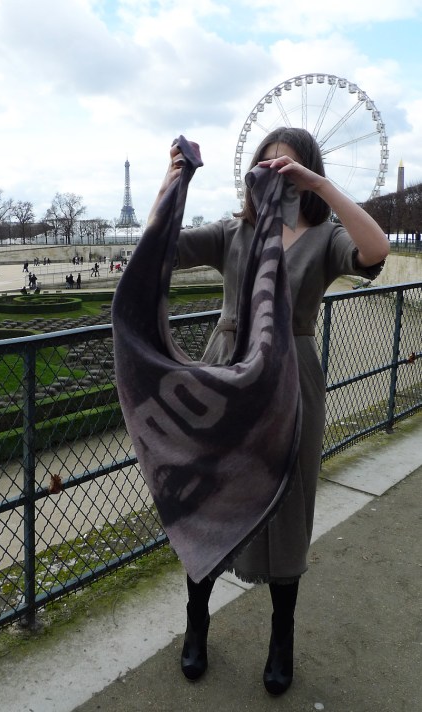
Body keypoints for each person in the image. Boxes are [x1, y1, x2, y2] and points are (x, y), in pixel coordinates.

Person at [148, 128, 389, 696]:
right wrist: (173, 178)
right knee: (208, 498)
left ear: (306, 174)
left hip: (290, 380)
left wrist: (320, 187)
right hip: (225, 371)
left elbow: (376, 249)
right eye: (266, 162)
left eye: (289, 166)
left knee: (289, 499)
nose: (274, 172)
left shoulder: (325, 237)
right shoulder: (233, 232)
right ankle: (196, 624)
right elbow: (159, 246)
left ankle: (283, 637)